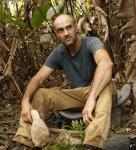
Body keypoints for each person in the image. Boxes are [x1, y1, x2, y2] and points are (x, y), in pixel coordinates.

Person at [11, 13, 116, 150]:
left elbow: (106, 64)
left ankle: (92, 144)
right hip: (78, 96)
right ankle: (23, 141)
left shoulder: (91, 42)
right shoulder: (59, 52)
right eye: (61, 30)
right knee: (40, 93)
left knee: (107, 83)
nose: (66, 33)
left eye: (69, 27)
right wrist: (25, 101)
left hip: (100, 93)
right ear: (56, 34)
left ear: (76, 27)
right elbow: (38, 79)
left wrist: (91, 99)